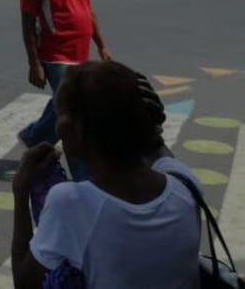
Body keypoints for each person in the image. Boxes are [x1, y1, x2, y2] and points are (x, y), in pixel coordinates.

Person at [11, 63, 202, 288]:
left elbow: (24, 283)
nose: (57, 128)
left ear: (77, 129)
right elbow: (158, 149)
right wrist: (147, 122)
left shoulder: (72, 203)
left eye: (60, 115)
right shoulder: (185, 183)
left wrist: (21, 191)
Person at [18, 0, 112, 182]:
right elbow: (27, 22)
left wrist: (102, 45)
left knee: (63, 102)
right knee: (72, 112)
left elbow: (88, 9)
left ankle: (35, 137)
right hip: (55, 55)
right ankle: (82, 175)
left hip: (81, 52)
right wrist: (34, 63)